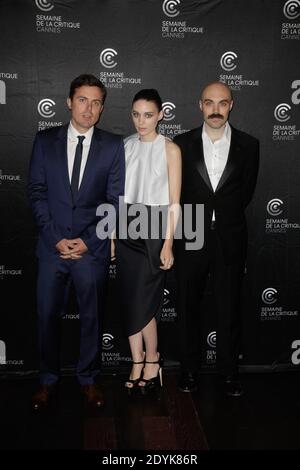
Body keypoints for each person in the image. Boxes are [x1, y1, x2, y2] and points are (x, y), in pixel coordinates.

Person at [28, 74, 125, 410]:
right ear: (69, 102)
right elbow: (37, 193)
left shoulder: (113, 146)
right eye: (83, 100)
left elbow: (115, 201)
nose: (89, 108)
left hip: (91, 251)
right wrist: (56, 238)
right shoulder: (45, 141)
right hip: (52, 249)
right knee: (45, 318)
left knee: (92, 319)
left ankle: (88, 379)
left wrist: (87, 241)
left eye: (97, 102)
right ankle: (47, 380)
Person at [174, 81, 259, 397]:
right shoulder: (180, 145)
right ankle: (188, 370)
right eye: (209, 103)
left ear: (231, 105)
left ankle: (229, 373)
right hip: (191, 233)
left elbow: (245, 194)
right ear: (200, 105)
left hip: (229, 236)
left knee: (229, 307)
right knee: (186, 306)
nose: (215, 109)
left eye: (222, 103)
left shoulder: (249, 146)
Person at [115, 89, 181, 394]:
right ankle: (138, 360)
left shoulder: (170, 149)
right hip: (127, 227)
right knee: (130, 298)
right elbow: (116, 198)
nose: (141, 121)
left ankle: (152, 358)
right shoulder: (124, 145)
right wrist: (113, 236)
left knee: (142, 301)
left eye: (149, 114)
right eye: (136, 114)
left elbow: (174, 203)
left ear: (161, 115)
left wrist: (168, 243)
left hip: (155, 230)